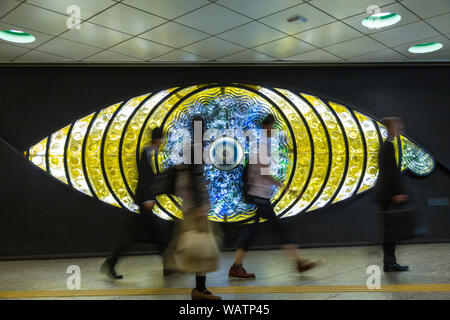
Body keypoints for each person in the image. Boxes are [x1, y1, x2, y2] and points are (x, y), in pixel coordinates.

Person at [228, 114, 317, 279]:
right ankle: (236, 266)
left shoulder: (262, 145)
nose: (273, 130)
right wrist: (286, 188)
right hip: (258, 196)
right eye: (272, 127)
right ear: (265, 127)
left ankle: (298, 263)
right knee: (257, 232)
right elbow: (265, 173)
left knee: (270, 230)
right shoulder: (262, 146)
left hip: (260, 197)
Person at [100, 127, 174, 279]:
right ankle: (167, 266)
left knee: (151, 235)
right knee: (152, 235)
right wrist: (148, 198)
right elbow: (145, 178)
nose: (162, 143)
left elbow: (151, 178)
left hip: (145, 200)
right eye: (161, 140)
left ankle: (111, 262)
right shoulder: (147, 153)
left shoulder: (150, 152)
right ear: (158, 140)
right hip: (144, 201)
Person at [164, 116, 221, 300]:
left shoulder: (187, 147)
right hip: (195, 206)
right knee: (202, 246)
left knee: (198, 245)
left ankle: (199, 288)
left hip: (189, 203)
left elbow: (185, 177)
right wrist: (200, 205)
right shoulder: (195, 149)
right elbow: (196, 179)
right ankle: (198, 288)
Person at [375, 117, 410, 272]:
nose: (400, 129)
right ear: (390, 128)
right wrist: (397, 193)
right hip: (389, 195)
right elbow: (390, 173)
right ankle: (389, 263)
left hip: (386, 194)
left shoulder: (386, 145)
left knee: (390, 230)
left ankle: (389, 262)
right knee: (390, 231)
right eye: (397, 126)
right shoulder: (388, 146)